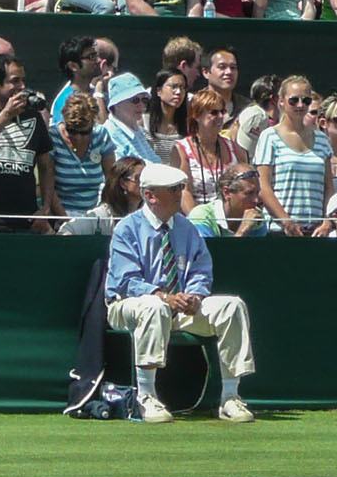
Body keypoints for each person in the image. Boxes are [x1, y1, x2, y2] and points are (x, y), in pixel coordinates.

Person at [104, 161, 256, 423]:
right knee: (154, 306)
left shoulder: (186, 227)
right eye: (174, 188)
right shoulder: (126, 228)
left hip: (179, 306)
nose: (180, 193)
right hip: (127, 305)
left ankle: (230, 397)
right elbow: (127, 281)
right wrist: (163, 296)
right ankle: (146, 398)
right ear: (150, 195)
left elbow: (201, 268)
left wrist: (195, 296)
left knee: (232, 305)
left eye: (181, 187)